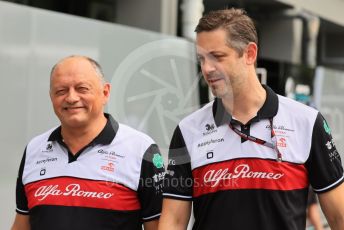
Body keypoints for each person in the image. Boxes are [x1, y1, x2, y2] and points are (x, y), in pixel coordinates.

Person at [159, 8, 344, 230]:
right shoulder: (188, 130)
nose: (206, 69)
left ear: (249, 54)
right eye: (201, 59)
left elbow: (339, 217)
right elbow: (173, 221)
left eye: (217, 57)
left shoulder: (307, 122)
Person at [11, 55, 164, 230]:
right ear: (51, 96)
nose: (71, 98)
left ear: (105, 93)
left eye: (82, 88)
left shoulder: (141, 149)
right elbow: (21, 224)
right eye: (61, 91)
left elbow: (160, 226)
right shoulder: (34, 149)